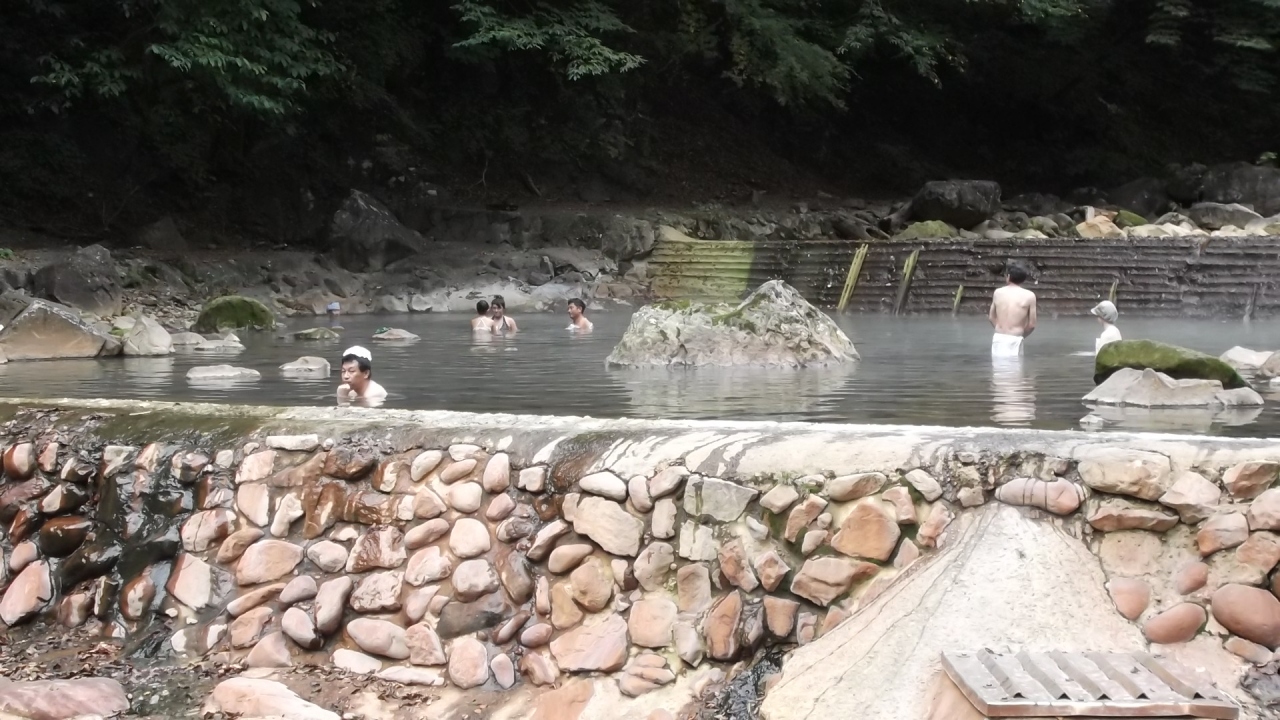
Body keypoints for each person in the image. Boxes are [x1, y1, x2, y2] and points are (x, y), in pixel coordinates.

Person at [988, 264, 1037, 357]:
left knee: (997, 365)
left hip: (998, 337)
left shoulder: (998, 292)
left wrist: (1002, 330)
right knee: (1015, 365)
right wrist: (1021, 335)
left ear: (1009, 277)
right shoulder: (1030, 296)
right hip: (1015, 338)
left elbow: (991, 317)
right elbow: (1032, 325)